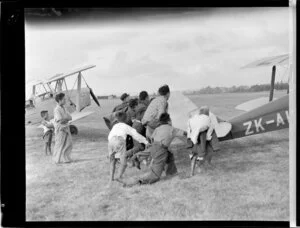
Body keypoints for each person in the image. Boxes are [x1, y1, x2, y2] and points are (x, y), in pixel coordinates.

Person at [123, 113, 187, 187]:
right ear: (169, 120)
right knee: (155, 176)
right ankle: (135, 183)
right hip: (161, 149)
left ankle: (172, 174)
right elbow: (184, 133)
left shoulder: (157, 128)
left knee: (169, 156)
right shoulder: (172, 129)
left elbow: (152, 138)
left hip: (154, 146)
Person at [108, 111, 150, 186]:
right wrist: (146, 141)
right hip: (119, 140)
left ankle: (111, 179)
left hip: (110, 141)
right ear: (126, 119)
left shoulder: (115, 126)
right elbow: (136, 135)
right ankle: (119, 176)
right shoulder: (125, 126)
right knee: (124, 163)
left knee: (112, 161)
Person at [187, 106, 220, 176]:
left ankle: (192, 172)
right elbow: (211, 132)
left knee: (194, 155)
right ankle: (201, 165)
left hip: (193, 140)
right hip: (201, 140)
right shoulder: (207, 120)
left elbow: (189, 131)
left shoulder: (193, 119)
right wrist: (215, 146)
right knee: (205, 153)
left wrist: (190, 143)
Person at [53, 93, 73, 164]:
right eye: (64, 99)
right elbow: (60, 120)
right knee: (59, 144)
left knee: (69, 143)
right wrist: (66, 119)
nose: (65, 100)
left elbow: (70, 117)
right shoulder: (56, 109)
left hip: (66, 127)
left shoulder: (64, 108)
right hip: (60, 129)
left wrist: (66, 119)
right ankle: (56, 159)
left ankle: (66, 158)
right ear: (59, 100)